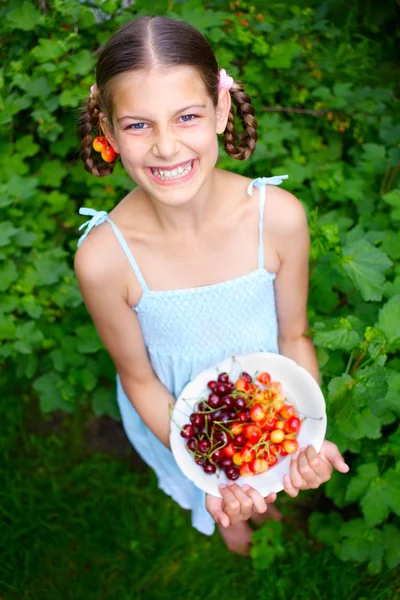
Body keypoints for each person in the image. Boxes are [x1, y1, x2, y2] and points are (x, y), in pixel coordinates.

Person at [75, 15, 350, 556]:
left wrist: (304, 437)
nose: (167, 147)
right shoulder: (105, 259)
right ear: (107, 131)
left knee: (268, 469)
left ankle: (264, 495)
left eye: (187, 117)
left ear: (221, 111)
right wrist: (212, 472)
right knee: (229, 497)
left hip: (268, 404)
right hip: (181, 421)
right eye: (138, 125)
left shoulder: (280, 218)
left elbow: (294, 338)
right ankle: (229, 519)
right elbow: (139, 379)